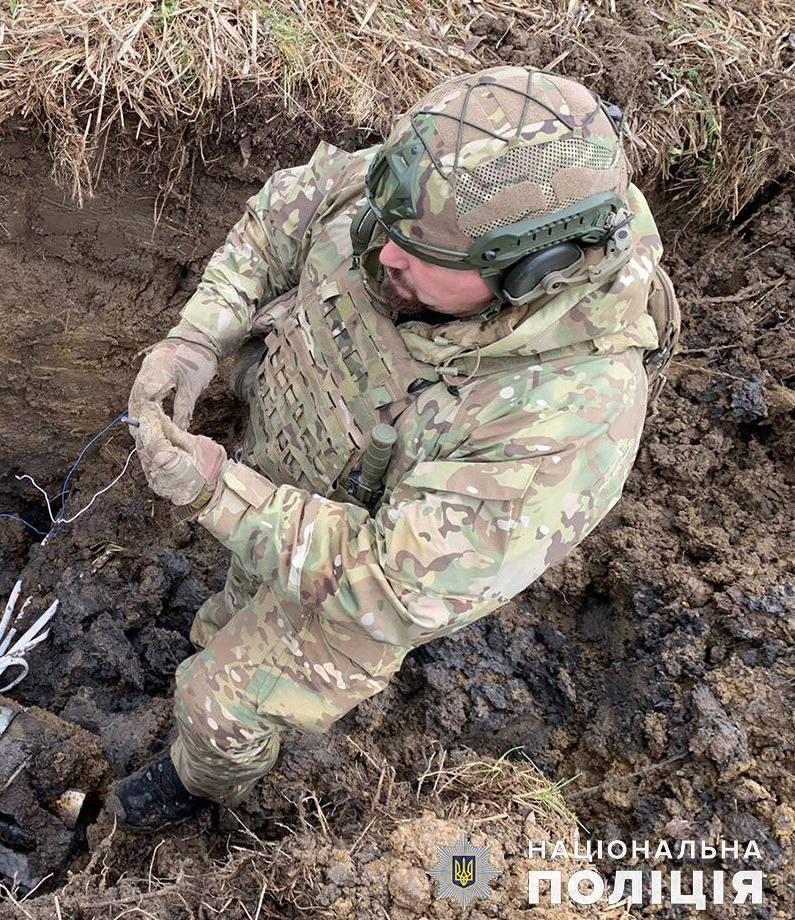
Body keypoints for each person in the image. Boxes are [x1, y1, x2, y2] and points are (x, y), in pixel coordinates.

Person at [108, 66, 679, 829]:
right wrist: (195, 339)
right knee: (232, 602)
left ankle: (206, 788)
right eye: (387, 231)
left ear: (526, 272)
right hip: (290, 479)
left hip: (370, 573)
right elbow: (286, 213)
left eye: (416, 260)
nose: (381, 259)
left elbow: (389, 585)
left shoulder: (565, 417)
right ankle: (224, 629)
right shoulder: (430, 198)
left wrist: (216, 491)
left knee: (216, 704)